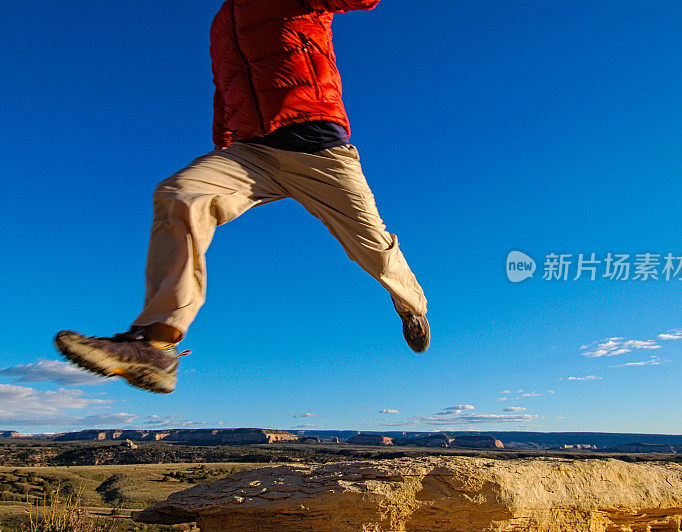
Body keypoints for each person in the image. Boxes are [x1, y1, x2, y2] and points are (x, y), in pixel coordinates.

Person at [54, 0, 429, 394]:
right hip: (252, 153)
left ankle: (411, 305)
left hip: (318, 147)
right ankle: (156, 343)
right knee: (181, 193)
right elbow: (225, 87)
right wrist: (224, 147)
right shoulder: (222, 22)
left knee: (371, 246)